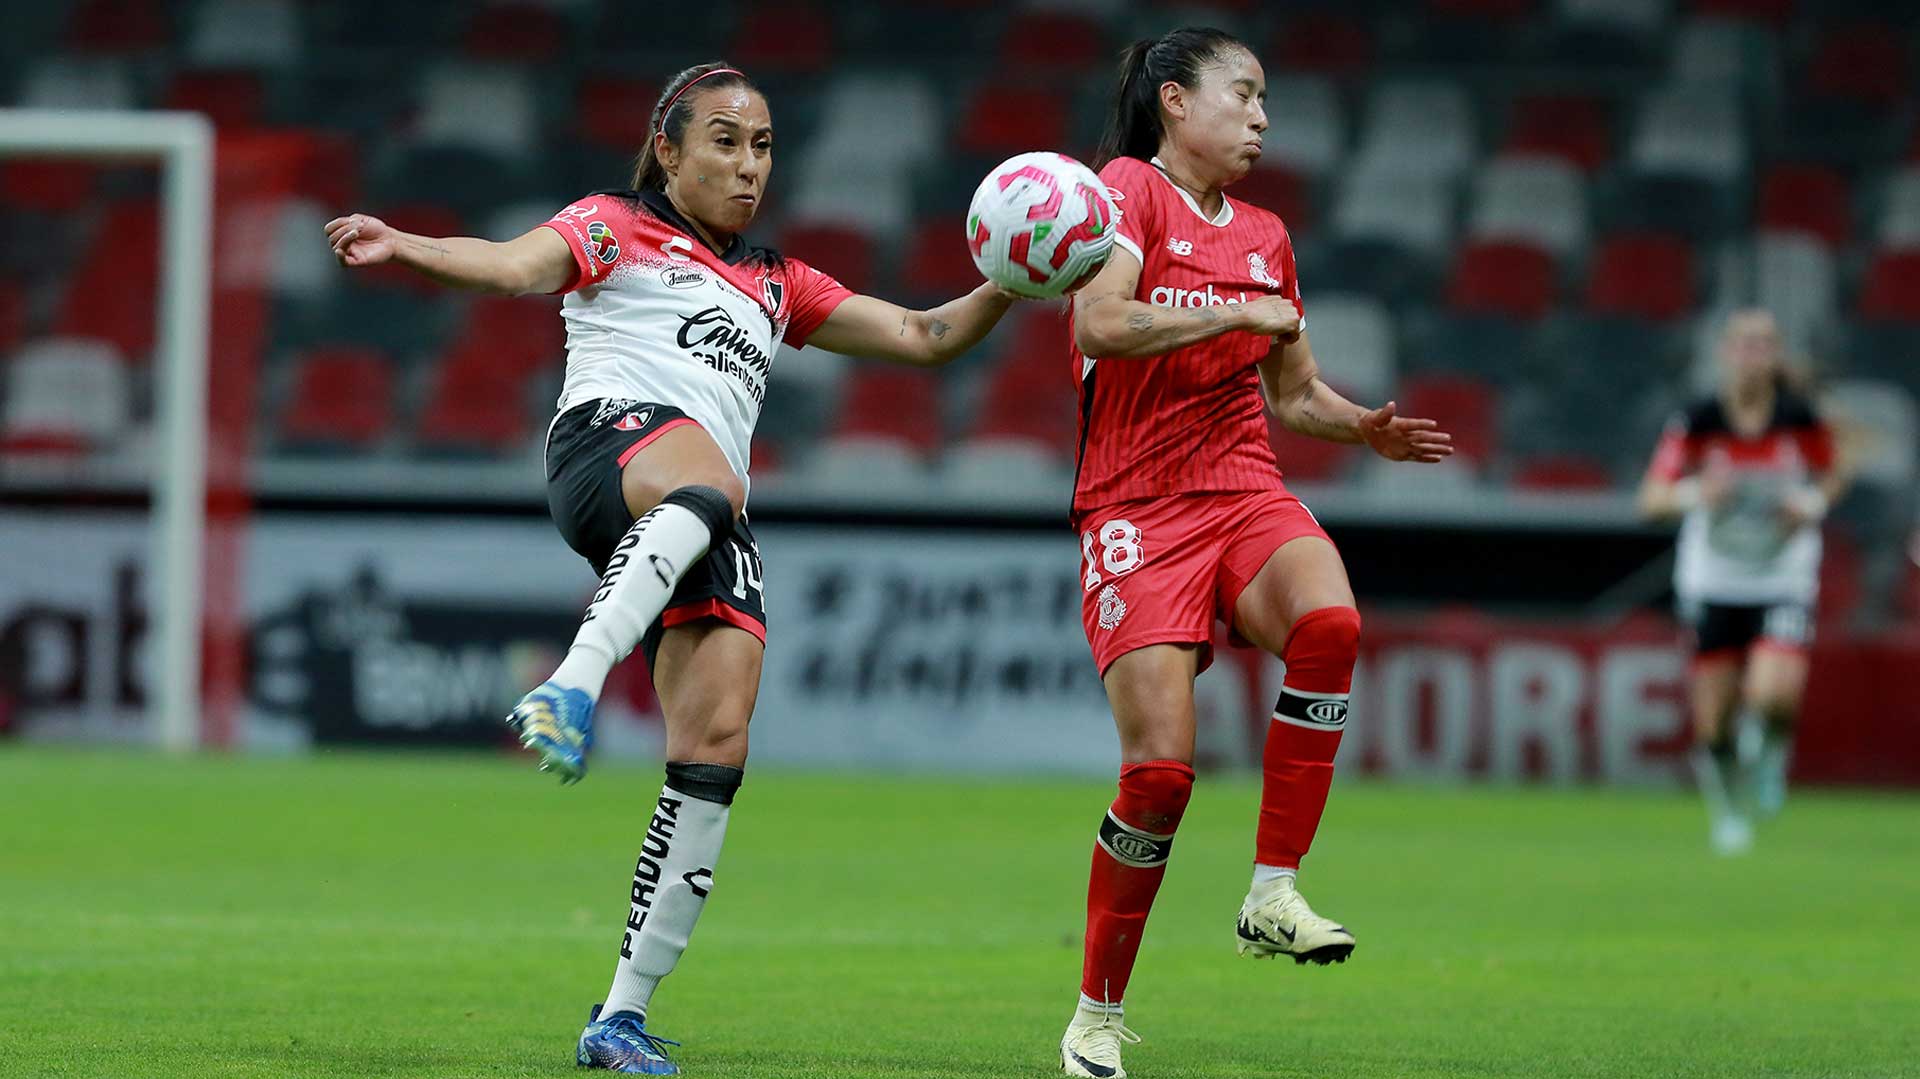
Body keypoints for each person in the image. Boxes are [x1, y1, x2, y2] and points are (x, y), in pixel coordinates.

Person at [327, 62, 1025, 1075]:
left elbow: (922, 336)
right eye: (726, 142)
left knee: (717, 742)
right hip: (608, 448)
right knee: (712, 481)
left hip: (698, 514)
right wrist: (407, 244)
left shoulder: (779, 283)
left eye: (764, 146)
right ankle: (570, 684)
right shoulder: (614, 222)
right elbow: (515, 267)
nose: (749, 167)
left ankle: (619, 1016)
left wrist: (1020, 273)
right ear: (669, 147)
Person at [1057, 28, 1454, 1078]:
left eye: (1267, 97)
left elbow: (1289, 394)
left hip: (1241, 488)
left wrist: (1359, 422)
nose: (1264, 116)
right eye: (1247, 93)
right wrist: (1232, 310)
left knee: (1332, 623)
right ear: (1177, 102)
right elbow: (1099, 323)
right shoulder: (1125, 192)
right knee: (1160, 777)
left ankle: (1271, 888)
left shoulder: (1268, 232)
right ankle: (1097, 1010)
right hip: (1134, 505)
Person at [1639, 309, 1845, 856]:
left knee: (1776, 695)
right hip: (1715, 577)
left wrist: (1813, 502)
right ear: (1726, 353)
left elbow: (1833, 470)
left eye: (1765, 345)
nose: (1755, 355)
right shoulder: (1698, 420)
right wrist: (1693, 495)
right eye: (1745, 344)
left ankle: (1772, 755)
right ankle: (1728, 813)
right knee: (1714, 723)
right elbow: (1651, 500)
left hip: (1782, 573)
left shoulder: (1799, 416)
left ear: (1776, 355)